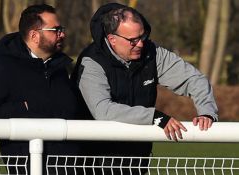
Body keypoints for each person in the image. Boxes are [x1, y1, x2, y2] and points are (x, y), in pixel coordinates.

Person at [71, 3, 218, 174]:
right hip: (93, 162)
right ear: (112, 39)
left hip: (138, 160)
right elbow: (103, 110)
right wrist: (154, 117)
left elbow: (194, 79)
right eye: (132, 40)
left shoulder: (151, 52)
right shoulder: (91, 62)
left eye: (143, 36)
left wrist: (207, 112)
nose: (140, 44)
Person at [0, 4, 83, 174]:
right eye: (56, 30)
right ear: (34, 35)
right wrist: (23, 107)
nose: (63, 34)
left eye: (62, 29)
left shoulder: (62, 68)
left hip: (71, 168)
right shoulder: (1, 69)